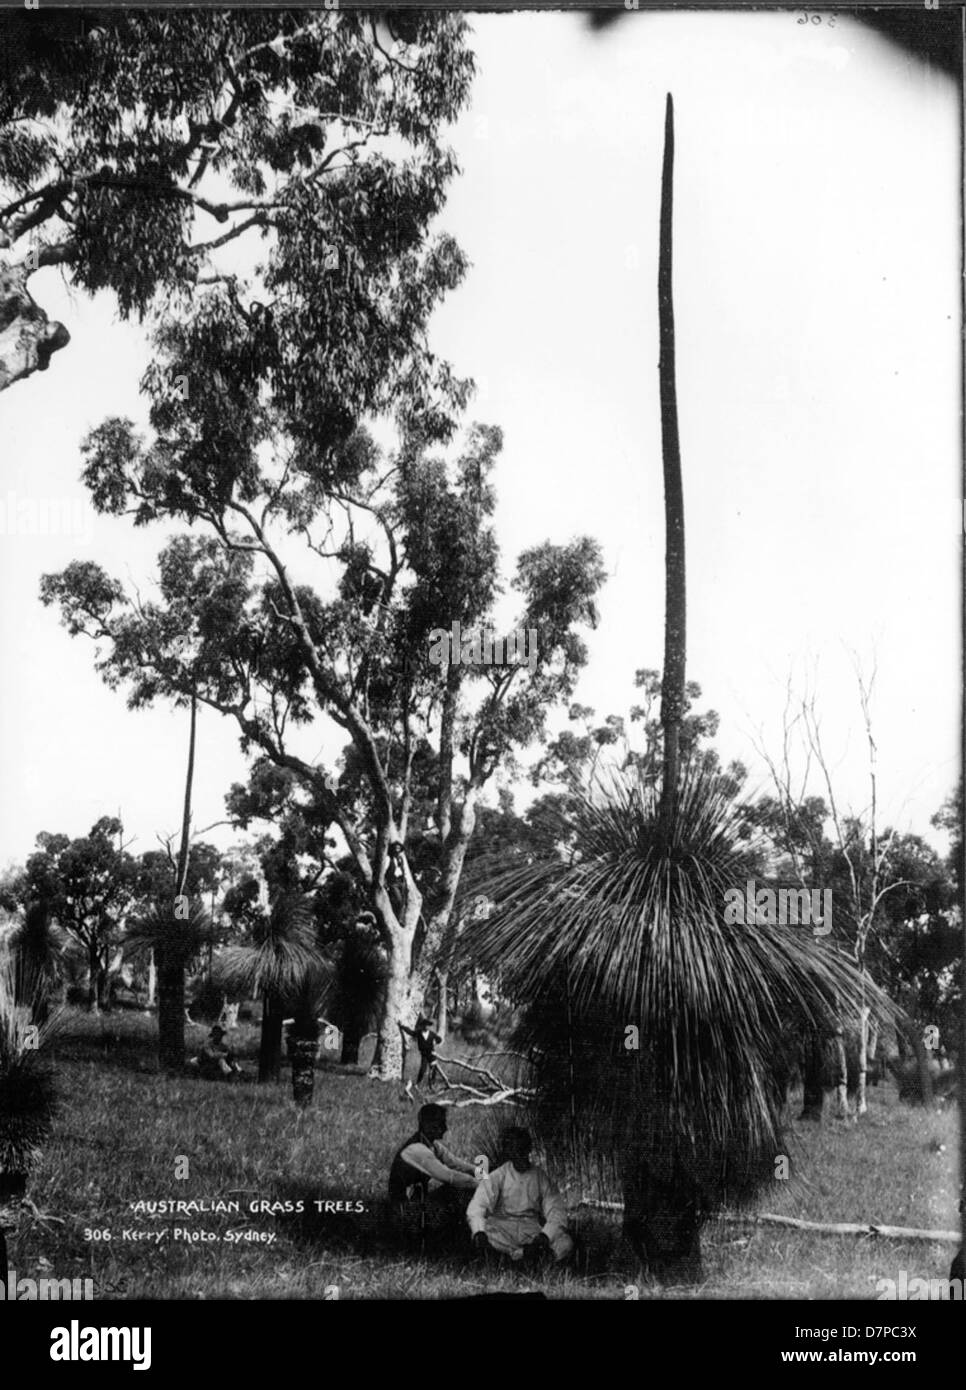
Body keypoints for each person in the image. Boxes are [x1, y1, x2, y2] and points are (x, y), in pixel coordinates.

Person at [467, 1126, 574, 1266]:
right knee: (483, 1234)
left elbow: (556, 1210)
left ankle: (527, 1258)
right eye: (513, 1149)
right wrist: (479, 1233)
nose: (519, 1153)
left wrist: (544, 1237)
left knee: (565, 1242)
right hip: (502, 1230)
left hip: (530, 1231)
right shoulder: (498, 1176)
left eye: (522, 1148)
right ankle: (512, 1259)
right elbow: (478, 1206)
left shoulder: (540, 1177)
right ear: (508, 1152)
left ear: (529, 1149)